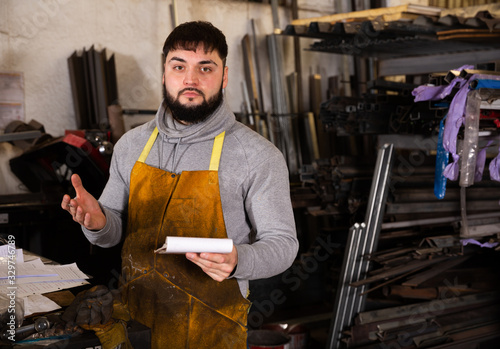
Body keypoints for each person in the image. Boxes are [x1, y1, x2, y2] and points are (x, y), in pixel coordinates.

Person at [61, 20, 298, 348]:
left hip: (212, 330)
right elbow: (112, 231)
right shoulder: (132, 145)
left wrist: (239, 259)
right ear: (164, 73)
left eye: (206, 67)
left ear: (224, 76)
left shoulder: (257, 155)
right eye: (179, 66)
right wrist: (98, 223)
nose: (191, 79)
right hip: (136, 321)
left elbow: (283, 244)